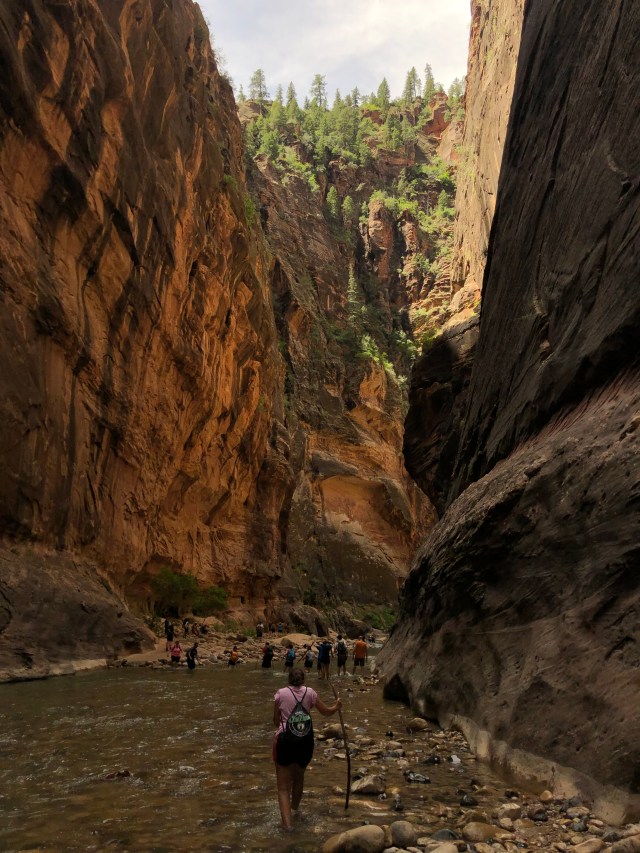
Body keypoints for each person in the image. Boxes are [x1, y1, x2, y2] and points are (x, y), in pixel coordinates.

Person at [273, 667, 341, 829]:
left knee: (283, 788)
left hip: (285, 740)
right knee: (299, 778)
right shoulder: (310, 693)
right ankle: (294, 812)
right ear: (303, 679)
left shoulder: (280, 694)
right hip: (305, 741)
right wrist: (336, 706)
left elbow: (276, 721)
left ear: (289, 679)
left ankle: (288, 826)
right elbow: (326, 712)